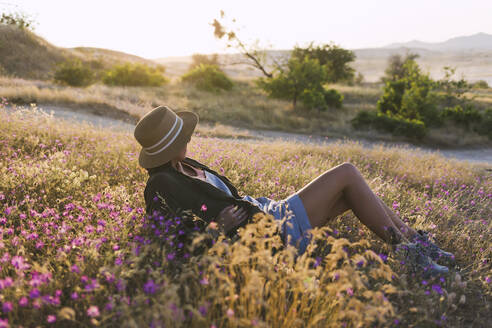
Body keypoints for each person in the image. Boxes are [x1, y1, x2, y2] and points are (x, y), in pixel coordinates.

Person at [134, 106, 454, 277]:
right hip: (268, 232)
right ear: (171, 145)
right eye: (183, 136)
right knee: (347, 173)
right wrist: (217, 231)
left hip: (268, 212)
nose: (189, 138)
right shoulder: (161, 184)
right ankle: (413, 256)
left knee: (349, 193)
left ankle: (416, 244)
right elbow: (171, 239)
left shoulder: (185, 163)